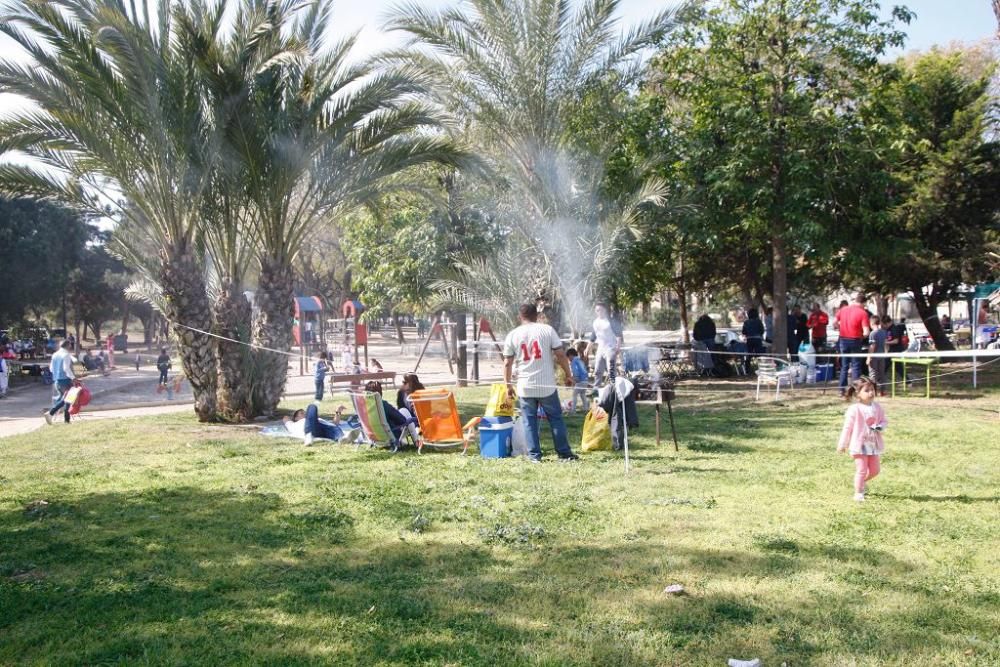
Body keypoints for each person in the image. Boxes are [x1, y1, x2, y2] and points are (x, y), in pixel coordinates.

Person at [502, 303, 578, 462]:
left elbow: (507, 363)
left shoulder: (513, 335)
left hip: (525, 386)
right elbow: (561, 355)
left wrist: (508, 385)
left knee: (529, 421)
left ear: (520, 317)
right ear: (537, 316)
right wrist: (568, 375)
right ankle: (564, 454)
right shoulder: (547, 330)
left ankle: (534, 456)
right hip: (546, 385)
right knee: (555, 419)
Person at [837, 376, 888, 502]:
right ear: (857, 394)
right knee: (862, 469)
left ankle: (861, 482)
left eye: (872, 389)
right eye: (867, 390)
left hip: (873, 445)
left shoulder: (877, 407)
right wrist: (842, 444)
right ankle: (858, 492)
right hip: (859, 445)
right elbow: (847, 428)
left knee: (875, 470)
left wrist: (880, 426)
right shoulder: (854, 409)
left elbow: (884, 421)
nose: (871, 393)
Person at [836, 293, 872, 395]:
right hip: (855, 340)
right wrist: (862, 336)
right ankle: (856, 390)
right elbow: (866, 332)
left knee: (844, 366)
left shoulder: (843, 309)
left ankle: (841, 390)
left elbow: (835, 323)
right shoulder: (863, 313)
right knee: (856, 365)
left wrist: (842, 329)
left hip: (843, 339)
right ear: (863, 303)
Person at [283, 404, 359, 447]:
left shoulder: (319, 419)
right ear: (296, 418)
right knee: (312, 406)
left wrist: (338, 411)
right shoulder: (293, 425)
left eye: (306, 412)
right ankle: (309, 435)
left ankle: (342, 439)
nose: (305, 413)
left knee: (334, 428)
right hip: (312, 427)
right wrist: (292, 417)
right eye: (302, 413)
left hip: (325, 428)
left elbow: (335, 423)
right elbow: (285, 418)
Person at [589, 304, 623, 385]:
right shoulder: (595, 322)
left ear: (604, 310)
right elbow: (593, 336)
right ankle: (596, 390)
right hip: (600, 349)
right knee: (597, 370)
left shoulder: (611, 321)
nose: (599, 312)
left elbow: (618, 335)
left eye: (600, 310)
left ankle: (613, 389)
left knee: (611, 370)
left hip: (610, 348)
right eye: (597, 310)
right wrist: (587, 348)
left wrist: (618, 347)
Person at [43, 340, 75, 425]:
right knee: (67, 398)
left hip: (57, 380)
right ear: (68, 345)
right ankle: (51, 413)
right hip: (65, 380)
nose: (71, 347)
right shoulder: (66, 355)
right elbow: (66, 369)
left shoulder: (55, 354)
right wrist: (74, 378)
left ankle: (66, 420)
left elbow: (51, 369)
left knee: (66, 399)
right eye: (70, 345)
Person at [867, 316, 891, 396]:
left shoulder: (873, 333)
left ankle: (873, 391)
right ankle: (882, 391)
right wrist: (886, 352)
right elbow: (885, 344)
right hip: (882, 356)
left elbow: (872, 346)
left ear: (871, 323)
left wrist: (869, 357)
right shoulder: (883, 332)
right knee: (882, 374)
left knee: (873, 374)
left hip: (874, 357)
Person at [566, 347, 589, 413]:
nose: (568, 359)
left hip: (580, 380)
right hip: (586, 380)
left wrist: (575, 380)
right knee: (582, 394)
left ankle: (573, 410)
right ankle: (586, 408)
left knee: (574, 394)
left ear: (571, 355)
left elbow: (575, 371)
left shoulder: (573, 361)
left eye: (568, 357)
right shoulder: (580, 360)